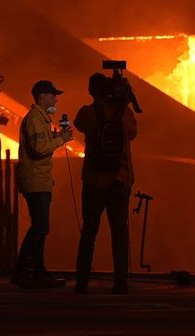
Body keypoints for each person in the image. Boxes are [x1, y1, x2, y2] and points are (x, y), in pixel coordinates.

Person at [73, 72, 139, 294]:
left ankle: (82, 282)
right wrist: (122, 103)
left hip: (94, 181)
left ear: (91, 91)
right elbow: (133, 133)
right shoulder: (124, 114)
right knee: (120, 233)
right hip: (119, 181)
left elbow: (78, 124)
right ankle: (120, 282)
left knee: (89, 231)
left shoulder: (88, 113)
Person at [11, 79, 73, 289]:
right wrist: (61, 139)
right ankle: (22, 272)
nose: (56, 98)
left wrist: (54, 137)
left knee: (41, 228)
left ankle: (37, 273)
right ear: (42, 96)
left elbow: (40, 145)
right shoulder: (35, 119)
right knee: (40, 227)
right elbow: (39, 149)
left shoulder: (41, 119)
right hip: (36, 181)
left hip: (40, 180)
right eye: (53, 94)